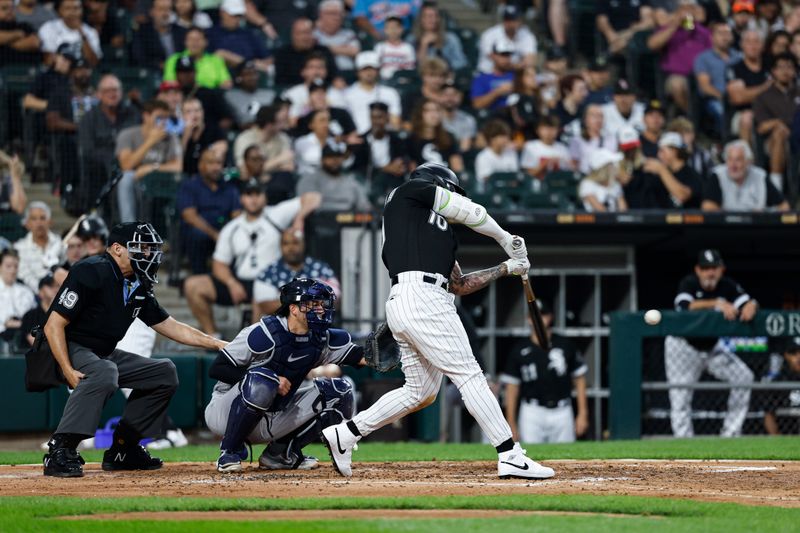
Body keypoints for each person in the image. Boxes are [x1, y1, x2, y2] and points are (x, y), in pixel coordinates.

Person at [321, 162, 552, 479]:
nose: (451, 197)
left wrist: (508, 268)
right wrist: (505, 238)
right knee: (470, 375)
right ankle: (509, 454)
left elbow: (459, 285)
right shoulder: (408, 192)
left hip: (416, 300)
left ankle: (346, 433)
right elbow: (466, 210)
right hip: (422, 298)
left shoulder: (435, 232)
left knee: (421, 392)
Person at [41, 222, 226, 477]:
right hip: (70, 346)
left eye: (150, 248)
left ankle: (123, 449)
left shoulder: (136, 282)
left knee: (164, 373)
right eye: (140, 247)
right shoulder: (90, 270)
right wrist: (67, 368)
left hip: (102, 352)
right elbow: (53, 325)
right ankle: (60, 450)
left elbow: (170, 325)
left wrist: (216, 343)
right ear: (117, 249)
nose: (148, 254)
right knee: (104, 372)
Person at [206, 278, 366, 472]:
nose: (320, 309)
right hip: (225, 412)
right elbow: (218, 368)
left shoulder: (320, 339)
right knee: (262, 380)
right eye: (313, 304)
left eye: (321, 304)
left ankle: (280, 454)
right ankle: (229, 451)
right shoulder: (262, 333)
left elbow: (361, 357)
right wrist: (271, 380)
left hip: (275, 415)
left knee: (339, 391)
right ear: (294, 308)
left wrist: (391, 347)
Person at [184, 177, 320, 335]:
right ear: (242, 198)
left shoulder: (276, 214)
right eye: (249, 194)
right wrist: (231, 283)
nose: (253, 199)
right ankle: (212, 338)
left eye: (257, 194)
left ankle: (259, 344)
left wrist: (299, 217)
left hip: (273, 282)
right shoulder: (232, 228)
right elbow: (219, 264)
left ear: (264, 196)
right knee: (193, 285)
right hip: (242, 282)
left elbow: (313, 197)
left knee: (262, 293)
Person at [665, 249, 756, 438]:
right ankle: (683, 442)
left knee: (744, 377)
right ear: (698, 270)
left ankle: (731, 433)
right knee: (680, 395)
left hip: (713, 347)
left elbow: (746, 302)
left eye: (714, 268)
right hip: (683, 346)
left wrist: (751, 305)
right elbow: (683, 306)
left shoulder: (727, 285)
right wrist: (717, 303)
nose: (710, 273)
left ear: (721, 269)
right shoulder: (689, 283)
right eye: (706, 268)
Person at [500, 301, 588, 444]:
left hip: (562, 409)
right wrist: (511, 421)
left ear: (550, 317)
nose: (539, 318)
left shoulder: (564, 344)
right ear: (528, 318)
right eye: (534, 315)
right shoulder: (519, 349)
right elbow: (512, 387)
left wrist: (583, 413)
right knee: (531, 456)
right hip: (532, 410)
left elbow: (580, 379)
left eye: (543, 314)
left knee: (566, 457)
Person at [78, 74, 141, 208]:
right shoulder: (89, 118)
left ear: (121, 92)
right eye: (107, 91)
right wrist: (111, 159)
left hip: (129, 163)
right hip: (99, 169)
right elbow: (87, 149)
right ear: (99, 94)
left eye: (115, 90)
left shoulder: (133, 113)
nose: (112, 94)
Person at [115, 100, 183, 223]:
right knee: (125, 178)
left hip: (160, 180)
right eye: (159, 118)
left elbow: (178, 166)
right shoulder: (128, 135)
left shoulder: (171, 137)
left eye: (166, 118)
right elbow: (126, 165)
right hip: (135, 180)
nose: (163, 122)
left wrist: (151, 168)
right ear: (146, 116)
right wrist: (150, 141)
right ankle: (129, 228)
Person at [176, 147, 241, 274]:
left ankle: (232, 277)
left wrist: (228, 234)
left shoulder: (230, 188)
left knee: (239, 236)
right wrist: (215, 235)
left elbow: (237, 215)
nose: (216, 167)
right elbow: (190, 216)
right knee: (197, 235)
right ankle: (199, 275)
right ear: (201, 165)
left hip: (224, 230)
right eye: (211, 163)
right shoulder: (189, 186)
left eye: (219, 163)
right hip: (199, 230)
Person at [252, 230, 339, 317]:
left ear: (304, 244)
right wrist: (310, 300)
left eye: (295, 243)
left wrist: (289, 300)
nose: (291, 248)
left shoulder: (321, 269)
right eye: (286, 243)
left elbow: (334, 299)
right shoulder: (268, 273)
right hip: (280, 328)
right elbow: (266, 306)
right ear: (280, 246)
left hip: (317, 326)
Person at [646, 2, 710, 113]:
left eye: (690, 9)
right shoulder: (669, 29)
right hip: (677, 76)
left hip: (700, 76)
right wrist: (675, 25)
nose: (687, 12)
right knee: (677, 85)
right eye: (683, 9)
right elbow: (652, 45)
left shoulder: (703, 32)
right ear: (677, 11)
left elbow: (713, 53)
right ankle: (691, 116)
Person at [753, 53, 799, 192]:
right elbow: (761, 127)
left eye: (790, 67)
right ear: (773, 71)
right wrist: (779, 123)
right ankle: (776, 188)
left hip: (797, 135)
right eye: (781, 67)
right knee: (779, 133)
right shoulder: (764, 96)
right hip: (773, 141)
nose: (785, 71)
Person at [701, 139, 789, 212]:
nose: (733, 165)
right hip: (726, 229)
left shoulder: (760, 176)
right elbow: (707, 206)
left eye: (738, 160)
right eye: (730, 159)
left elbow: (784, 206)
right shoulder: (718, 175)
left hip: (755, 229)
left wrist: (764, 213)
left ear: (748, 162)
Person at [350, 101, 408, 194]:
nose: (376, 122)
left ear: (387, 118)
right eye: (373, 118)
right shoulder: (361, 141)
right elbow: (358, 169)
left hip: (393, 183)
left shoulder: (396, 139)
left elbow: (404, 158)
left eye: (380, 117)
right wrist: (385, 168)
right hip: (369, 183)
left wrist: (401, 164)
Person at [296, 140, 372, 211]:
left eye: (338, 157)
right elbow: (305, 205)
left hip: (348, 220)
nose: (335, 160)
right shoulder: (310, 179)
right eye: (330, 157)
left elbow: (364, 205)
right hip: (319, 220)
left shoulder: (350, 181)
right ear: (322, 160)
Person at [693, 22, 739, 137]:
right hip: (715, 99)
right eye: (721, 33)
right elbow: (705, 87)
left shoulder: (739, 57)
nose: (725, 36)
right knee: (721, 110)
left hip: (739, 98)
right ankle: (724, 142)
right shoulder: (703, 58)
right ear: (712, 37)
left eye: (728, 33)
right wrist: (724, 97)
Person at [726, 29, 770, 145]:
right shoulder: (736, 69)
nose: (753, 46)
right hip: (743, 113)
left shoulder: (770, 67)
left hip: (771, 111)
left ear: (763, 46)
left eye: (756, 42)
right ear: (742, 45)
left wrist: (749, 93)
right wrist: (766, 87)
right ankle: (747, 157)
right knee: (747, 117)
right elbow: (738, 98)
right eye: (748, 42)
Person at [344, 51, 402, 134]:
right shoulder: (347, 94)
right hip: (359, 139)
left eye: (372, 68)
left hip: (384, 138)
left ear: (378, 70)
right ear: (357, 71)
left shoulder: (390, 93)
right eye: (364, 69)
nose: (368, 72)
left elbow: (395, 122)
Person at [640, 132, 703, 209]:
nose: (659, 155)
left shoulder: (691, 174)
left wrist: (661, 170)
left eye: (662, 151)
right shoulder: (660, 175)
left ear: (674, 151)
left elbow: (682, 195)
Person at [207, 0, 271, 73]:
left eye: (239, 15)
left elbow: (268, 60)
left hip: (249, 77)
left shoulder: (249, 35)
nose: (237, 19)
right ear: (222, 12)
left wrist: (248, 64)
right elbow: (211, 57)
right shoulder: (210, 34)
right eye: (233, 15)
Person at [273, 17, 338, 87]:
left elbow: (334, 76)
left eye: (308, 33)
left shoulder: (324, 51)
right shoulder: (283, 54)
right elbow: (280, 82)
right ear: (293, 35)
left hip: (322, 92)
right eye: (300, 33)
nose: (305, 37)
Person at [14, 202, 63, 291]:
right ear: (27, 224)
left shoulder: (60, 244)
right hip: (33, 296)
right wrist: (43, 290)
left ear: (50, 222)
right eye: (34, 219)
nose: (39, 223)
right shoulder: (19, 248)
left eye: (42, 218)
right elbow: (26, 277)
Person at [283, 53, 345, 123]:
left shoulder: (335, 94)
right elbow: (288, 121)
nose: (316, 72)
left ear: (326, 71)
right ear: (303, 71)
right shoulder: (292, 94)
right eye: (311, 67)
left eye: (320, 67)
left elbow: (343, 120)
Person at [163, 27, 232, 90]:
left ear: (206, 42)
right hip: (183, 95)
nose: (194, 43)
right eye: (191, 39)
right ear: (185, 42)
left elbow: (227, 83)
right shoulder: (174, 59)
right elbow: (169, 83)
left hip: (211, 96)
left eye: (198, 39)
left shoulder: (216, 60)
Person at [38, 0, 101, 67]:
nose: (72, 12)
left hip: (83, 72)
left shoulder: (90, 32)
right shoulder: (49, 28)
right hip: (57, 73)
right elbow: (48, 61)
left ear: (82, 10)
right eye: (67, 8)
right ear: (59, 11)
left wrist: (82, 34)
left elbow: (94, 62)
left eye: (76, 8)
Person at [232, 104, 294, 171]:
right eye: (280, 122)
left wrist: (265, 167)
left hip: (276, 178)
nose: (284, 126)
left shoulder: (283, 138)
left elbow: (289, 166)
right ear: (269, 124)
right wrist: (279, 160)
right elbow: (245, 170)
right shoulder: (245, 139)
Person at [478, 4, 536, 73]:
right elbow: (494, 57)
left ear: (520, 20)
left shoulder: (526, 35)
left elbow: (530, 59)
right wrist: (510, 64)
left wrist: (516, 66)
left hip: (514, 74)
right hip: (488, 74)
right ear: (504, 21)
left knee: (530, 72)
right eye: (508, 20)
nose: (511, 23)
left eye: (514, 20)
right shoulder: (490, 34)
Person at [408, 2, 466, 71]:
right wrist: (424, 45)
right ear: (422, 19)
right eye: (429, 16)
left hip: (445, 76)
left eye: (436, 16)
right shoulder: (412, 39)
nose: (433, 20)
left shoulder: (450, 38)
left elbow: (461, 62)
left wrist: (443, 65)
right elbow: (414, 65)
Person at [408, 99, 463, 172]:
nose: (434, 114)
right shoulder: (411, 140)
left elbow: (457, 167)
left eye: (437, 110)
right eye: (429, 111)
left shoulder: (448, 136)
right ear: (420, 114)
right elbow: (412, 170)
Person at [131, 0, 187, 71]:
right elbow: (139, 58)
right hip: (154, 74)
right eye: (161, 9)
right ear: (152, 12)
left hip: (181, 72)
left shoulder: (181, 31)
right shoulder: (142, 33)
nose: (165, 13)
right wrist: (159, 65)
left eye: (168, 9)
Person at [180, 97, 227, 176]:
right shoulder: (178, 134)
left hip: (209, 176)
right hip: (185, 177)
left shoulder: (215, 130)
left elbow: (220, 152)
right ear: (182, 116)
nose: (194, 115)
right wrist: (185, 136)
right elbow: (177, 160)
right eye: (188, 112)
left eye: (197, 110)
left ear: (202, 112)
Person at [0, 249, 36, 351]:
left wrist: (19, 324)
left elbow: (32, 318)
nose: (13, 270)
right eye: (8, 266)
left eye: (15, 266)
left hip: (24, 339)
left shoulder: (26, 291)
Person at [763, 337, 800, 435]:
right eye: (793, 353)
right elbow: (769, 415)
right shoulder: (780, 381)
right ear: (786, 355)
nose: (799, 357)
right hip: (787, 434)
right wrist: (778, 440)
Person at [224, 61, 276, 129]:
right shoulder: (229, 96)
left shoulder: (270, 95)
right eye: (247, 74)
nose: (252, 77)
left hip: (269, 131)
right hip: (245, 133)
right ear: (238, 78)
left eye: (254, 74)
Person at [18, 270, 61, 351]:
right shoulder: (30, 316)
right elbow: (35, 342)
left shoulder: (64, 314)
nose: (56, 289)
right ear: (40, 292)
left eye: (58, 286)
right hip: (35, 359)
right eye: (51, 286)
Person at [569, 104, 617, 175]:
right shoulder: (577, 140)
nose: (598, 120)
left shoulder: (611, 139)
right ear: (586, 119)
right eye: (594, 116)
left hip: (607, 178)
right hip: (586, 178)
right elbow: (574, 166)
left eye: (601, 116)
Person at [313, 0, 360, 74]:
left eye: (339, 14)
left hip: (347, 73)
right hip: (323, 73)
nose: (336, 17)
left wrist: (324, 48)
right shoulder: (314, 34)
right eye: (331, 13)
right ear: (321, 14)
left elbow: (355, 51)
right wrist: (342, 49)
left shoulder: (348, 34)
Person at [471, 40, 516, 111]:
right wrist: (498, 92)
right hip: (492, 116)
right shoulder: (482, 79)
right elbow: (477, 105)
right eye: (503, 55)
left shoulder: (517, 76)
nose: (506, 59)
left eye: (508, 55)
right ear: (493, 56)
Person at [521, 116, 571, 180]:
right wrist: (546, 163)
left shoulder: (563, 148)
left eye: (552, 128)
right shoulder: (531, 147)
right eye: (546, 128)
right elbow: (527, 174)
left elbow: (570, 172)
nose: (549, 132)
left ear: (558, 130)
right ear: (538, 130)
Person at [474, 119, 519, 184]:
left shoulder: (511, 153)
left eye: (507, 136)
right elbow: (485, 179)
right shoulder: (483, 156)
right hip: (490, 192)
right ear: (491, 138)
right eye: (502, 136)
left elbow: (515, 178)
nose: (506, 139)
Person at [0, 0, 41, 67]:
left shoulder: (23, 26)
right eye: (4, 8)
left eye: (12, 8)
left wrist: (4, 41)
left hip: (28, 70)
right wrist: (17, 34)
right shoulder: (20, 32)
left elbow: (34, 43)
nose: (10, 11)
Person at [352, 0, 420, 40]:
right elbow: (360, 18)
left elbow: (419, 15)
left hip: (404, 34)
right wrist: (375, 33)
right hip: (377, 34)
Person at [375, 16, 416, 80]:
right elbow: (376, 67)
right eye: (390, 27)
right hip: (384, 81)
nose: (393, 30)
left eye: (396, 27)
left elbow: (409, 69)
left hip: (402, 82)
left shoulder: (408, 48)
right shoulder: (380, 47)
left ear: (402, 29)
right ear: (385, 30)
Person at [441, 83, 477, 153]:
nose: (449, 98)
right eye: (446, 95)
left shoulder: (468, 120)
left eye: (453, 95)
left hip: (459, 157)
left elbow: (465, 148)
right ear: (440, 97)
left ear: (460, 97)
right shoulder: (433, 117)